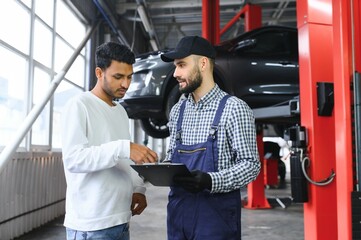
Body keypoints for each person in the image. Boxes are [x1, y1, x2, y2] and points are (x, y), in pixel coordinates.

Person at [161, 36, 261, 240]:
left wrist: (210, 180)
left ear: (203, 64)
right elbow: (172, 155)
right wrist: (161, 169)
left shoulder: (234, 109)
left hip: (215, 218)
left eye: (181, 65)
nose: (176, 74)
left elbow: (251, 165)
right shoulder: (178, 110)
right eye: (175, 66)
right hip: (179, 214)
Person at [61, 42, 158, 240]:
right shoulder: (79, 105)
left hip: (121, 219)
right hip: (92, 224)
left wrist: (138, 188)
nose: (126, 84)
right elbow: (74, 159)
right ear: (99, 73)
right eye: (118, 77)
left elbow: (123, 159)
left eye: (129, 77)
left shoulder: (120, 111)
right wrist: (123, 147)